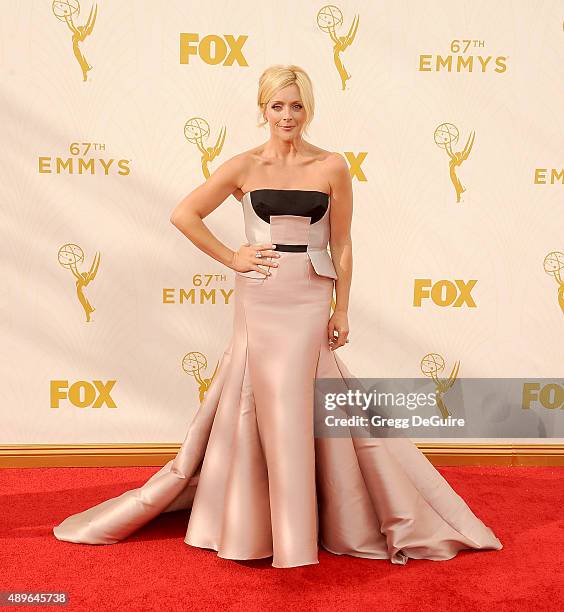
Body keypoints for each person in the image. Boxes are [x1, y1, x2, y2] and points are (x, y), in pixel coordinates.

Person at [53, 64, 503, 568]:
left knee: (300, 399)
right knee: (255, 397)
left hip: (310, 293)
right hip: (261, 293)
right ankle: (258, 523)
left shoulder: (332, 165)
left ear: (308, 109)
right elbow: (184, 214)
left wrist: (344, 306)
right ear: (262, 109)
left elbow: (343, 241)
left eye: (296, 105)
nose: (287, 115)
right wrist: (233, 257)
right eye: (277, 105)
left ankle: (312, 522)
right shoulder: (243, 166)